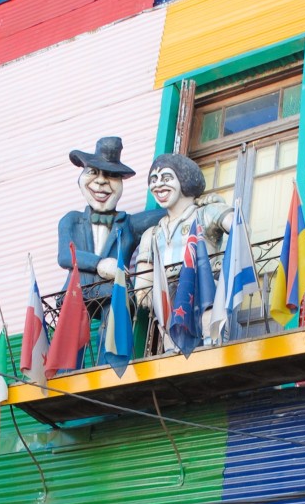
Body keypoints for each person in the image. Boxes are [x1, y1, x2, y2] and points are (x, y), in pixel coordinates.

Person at [135, 155, 233, 351]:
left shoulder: (206, 213)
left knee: (209, 332)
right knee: (172, 344)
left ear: (185, 178)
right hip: (167, 295)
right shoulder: (151, 234)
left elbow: (239, 227)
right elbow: (144, 275)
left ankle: (212, 344)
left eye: (166, 178)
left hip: (202, 286)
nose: (158, 185)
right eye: (153, 180)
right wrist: (142, 289)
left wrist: (227, 264)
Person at [57, 137, 160, 305]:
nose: (101, 181)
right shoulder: (72, 220)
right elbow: (65, 255)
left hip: (113, 295)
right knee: (74, 328)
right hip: (77, 293)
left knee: (113, 324)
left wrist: (195, 203)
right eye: (93, 172)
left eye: (111, 175)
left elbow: (167, 214)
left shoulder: (128, 224)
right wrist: (99, 264)